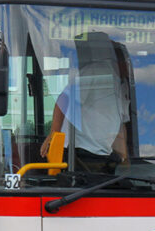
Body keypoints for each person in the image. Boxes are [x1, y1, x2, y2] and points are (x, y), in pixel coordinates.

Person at [40, 33, 131, 172]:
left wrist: (125, 160)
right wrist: (53, 136)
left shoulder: (124, 85)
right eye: (131, 62)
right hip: (81, 153)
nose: (132, 68)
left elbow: (120, 126)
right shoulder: (98, 71)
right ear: (120, 61)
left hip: (103, 155)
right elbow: (64, 98)